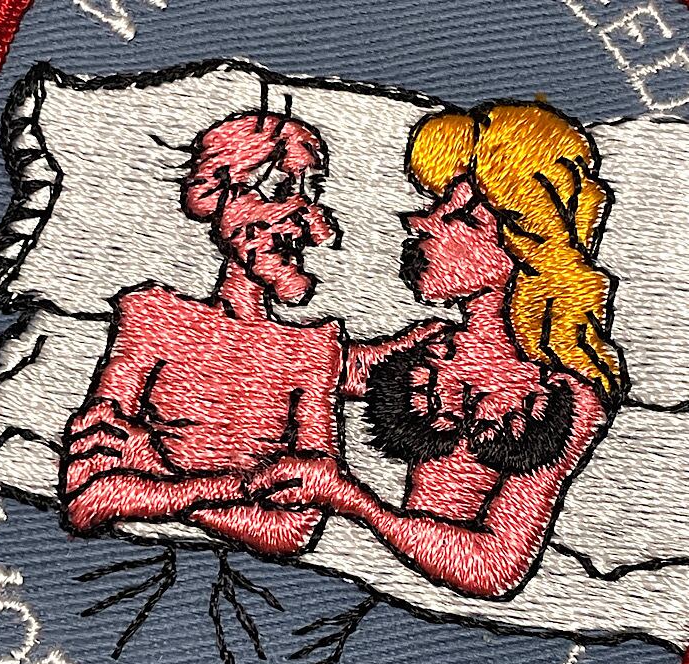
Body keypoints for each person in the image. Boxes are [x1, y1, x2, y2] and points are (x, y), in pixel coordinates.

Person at [251, 102, 625, 598]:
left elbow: (495, 568)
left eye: (465, 217)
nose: (422, 220)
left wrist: (350, 499)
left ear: (524, 248)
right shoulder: (432, 344)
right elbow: (307, 366)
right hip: (359, 585)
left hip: (433, 615)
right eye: (437, 204)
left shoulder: (564, 396)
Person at [60, 111, 347, 554]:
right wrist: (245, 492)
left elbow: (295, 530)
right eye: (280, 191)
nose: (308, 221)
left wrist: (154, 473)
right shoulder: (153, 317)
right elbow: (86, 498)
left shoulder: (314, 349)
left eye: (311, 196)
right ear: (224, 195)